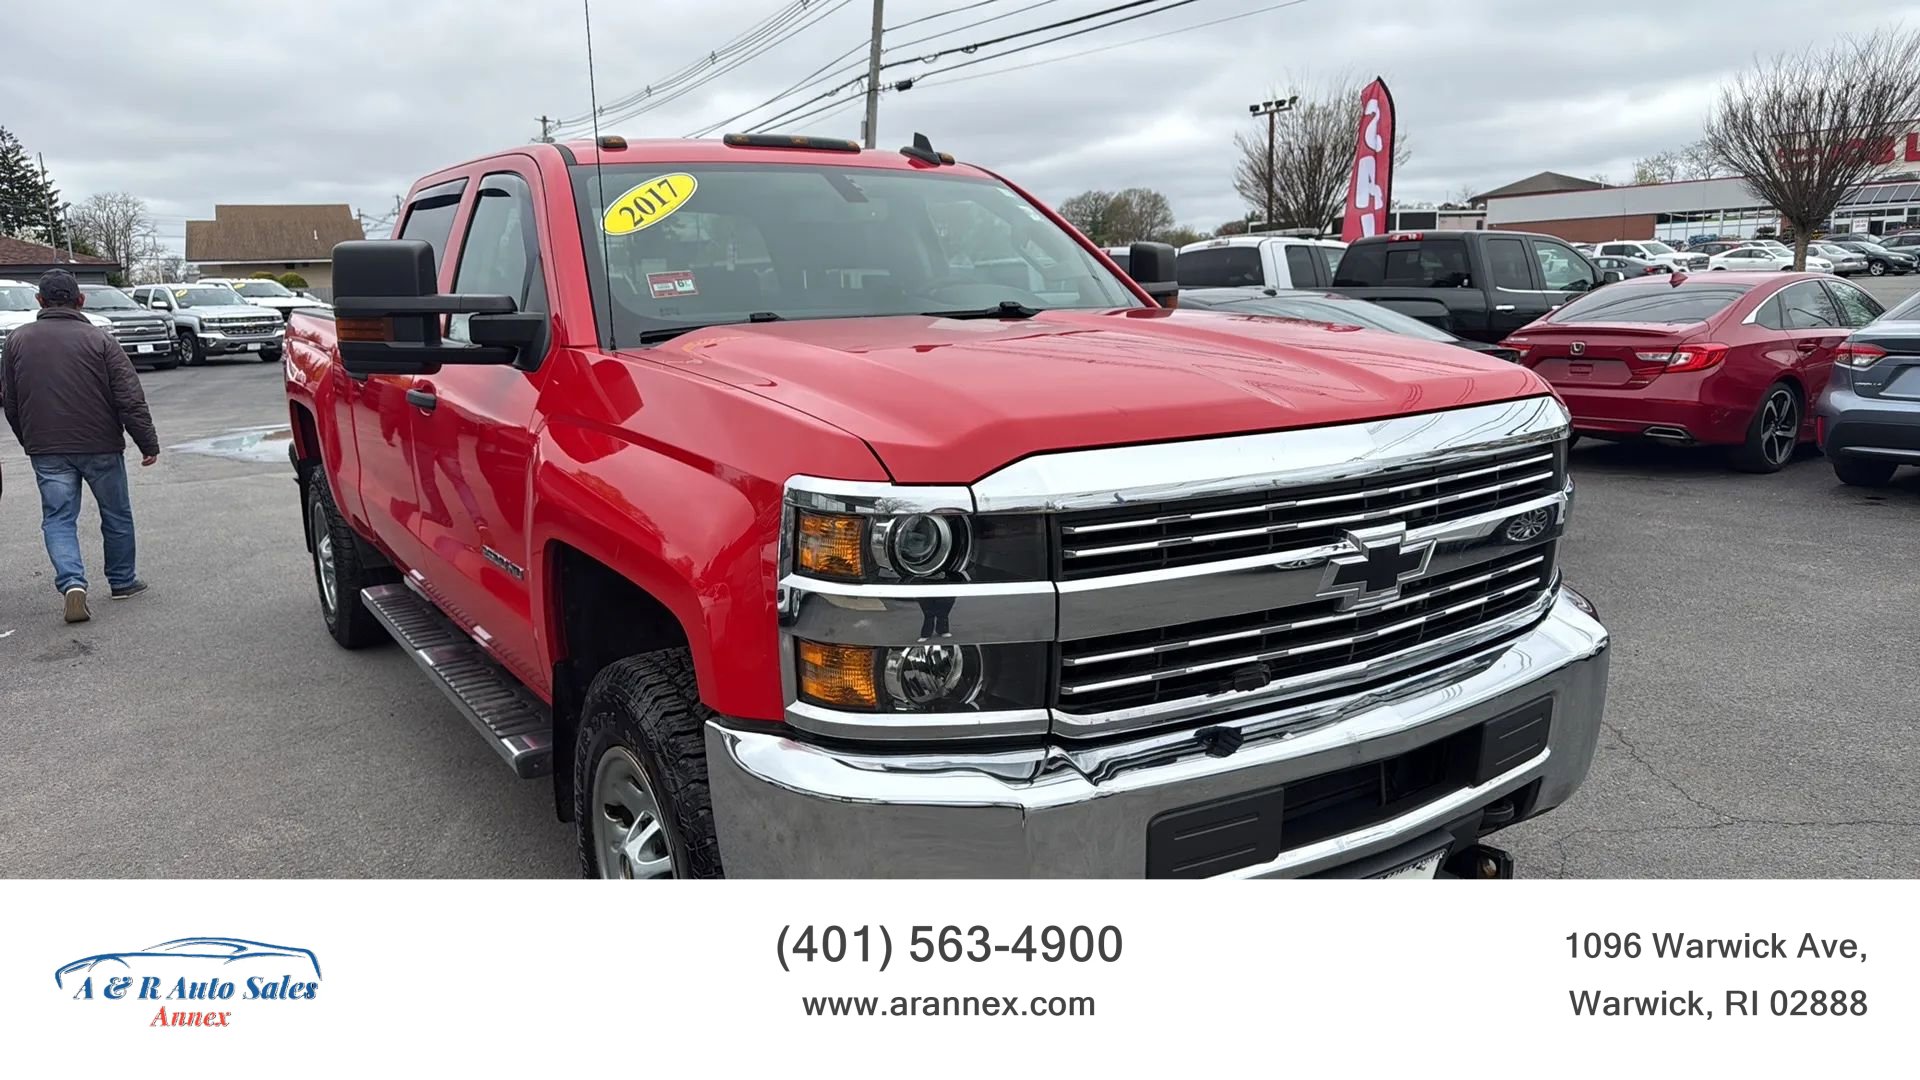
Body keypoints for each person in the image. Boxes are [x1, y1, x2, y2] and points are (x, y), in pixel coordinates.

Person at [0, 269, 159, 623]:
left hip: (47, 447)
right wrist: (147, 442)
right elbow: (129, 398)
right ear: (81, 300)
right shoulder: (100, 340)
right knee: (116, 513)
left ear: (39, 301)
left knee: (58, 518)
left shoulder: (16, 341)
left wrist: (30, 440)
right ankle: (122, 582)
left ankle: (72, 582)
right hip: (100, 443)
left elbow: (9, 400)